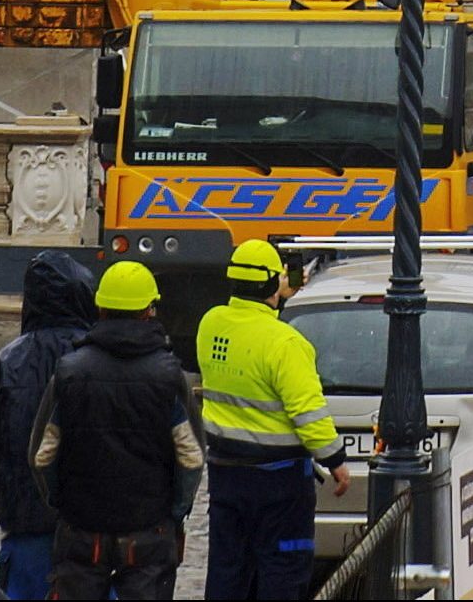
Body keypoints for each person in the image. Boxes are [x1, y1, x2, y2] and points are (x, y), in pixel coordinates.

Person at [34, 260, 203, 599]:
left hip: (82, 531)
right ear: (150, 310)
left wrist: (62, 504)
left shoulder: (69, 372)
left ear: (100, 307)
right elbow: (191, 459)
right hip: (148, 532)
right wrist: (174, 513)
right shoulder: (170, 377)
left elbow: (41, 456)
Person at [193, 242, 344, 599]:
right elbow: (308, 413)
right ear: (269, 286)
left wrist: (279, 296)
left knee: (229, 570)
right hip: (280, 482)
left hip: (226, 473)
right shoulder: (287, 343)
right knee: (282, 570)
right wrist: (335, 461)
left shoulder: (210, 324)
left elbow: (252, 334)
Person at [0, 252, 101, 599]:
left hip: (26, 528)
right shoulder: (100, 362)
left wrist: (9, 506)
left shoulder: (6, 362)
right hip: (91, 532)